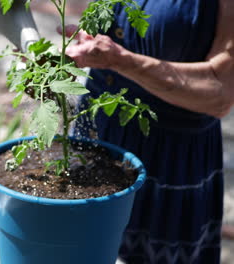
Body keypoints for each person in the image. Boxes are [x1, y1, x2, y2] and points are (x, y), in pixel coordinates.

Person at [60, 0, 234, 263]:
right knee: (80, 248)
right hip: (97, 128)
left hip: (169, 157)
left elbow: (219, 94)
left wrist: (121, 60)